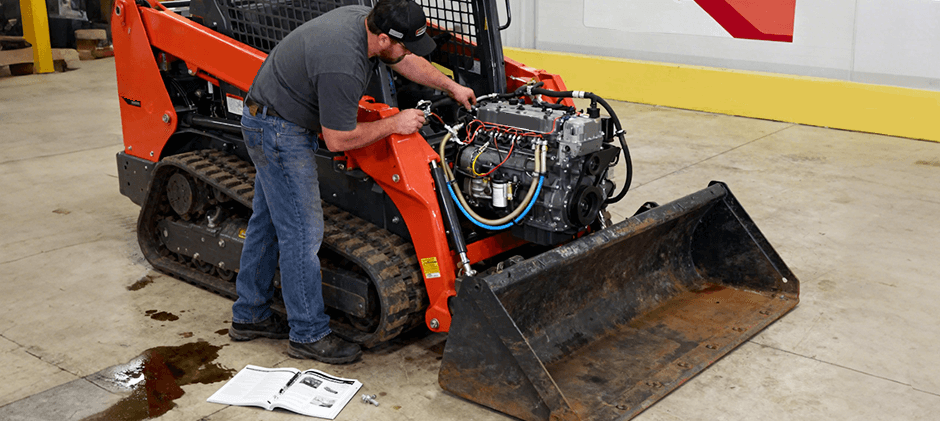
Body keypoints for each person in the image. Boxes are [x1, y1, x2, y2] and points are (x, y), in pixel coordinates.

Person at [228, 0, 476, 364]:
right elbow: (338, 140)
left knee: (267, 223)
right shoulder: (342, 63)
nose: (407, 51)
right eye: (403, 43)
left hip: (273, 118)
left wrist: (451, 86)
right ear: (381, 38)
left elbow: (402, 59)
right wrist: (395, 123)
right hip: (278, 130)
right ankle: (308, 334)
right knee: (302, 232)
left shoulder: (364, 21)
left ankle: (249, 315)